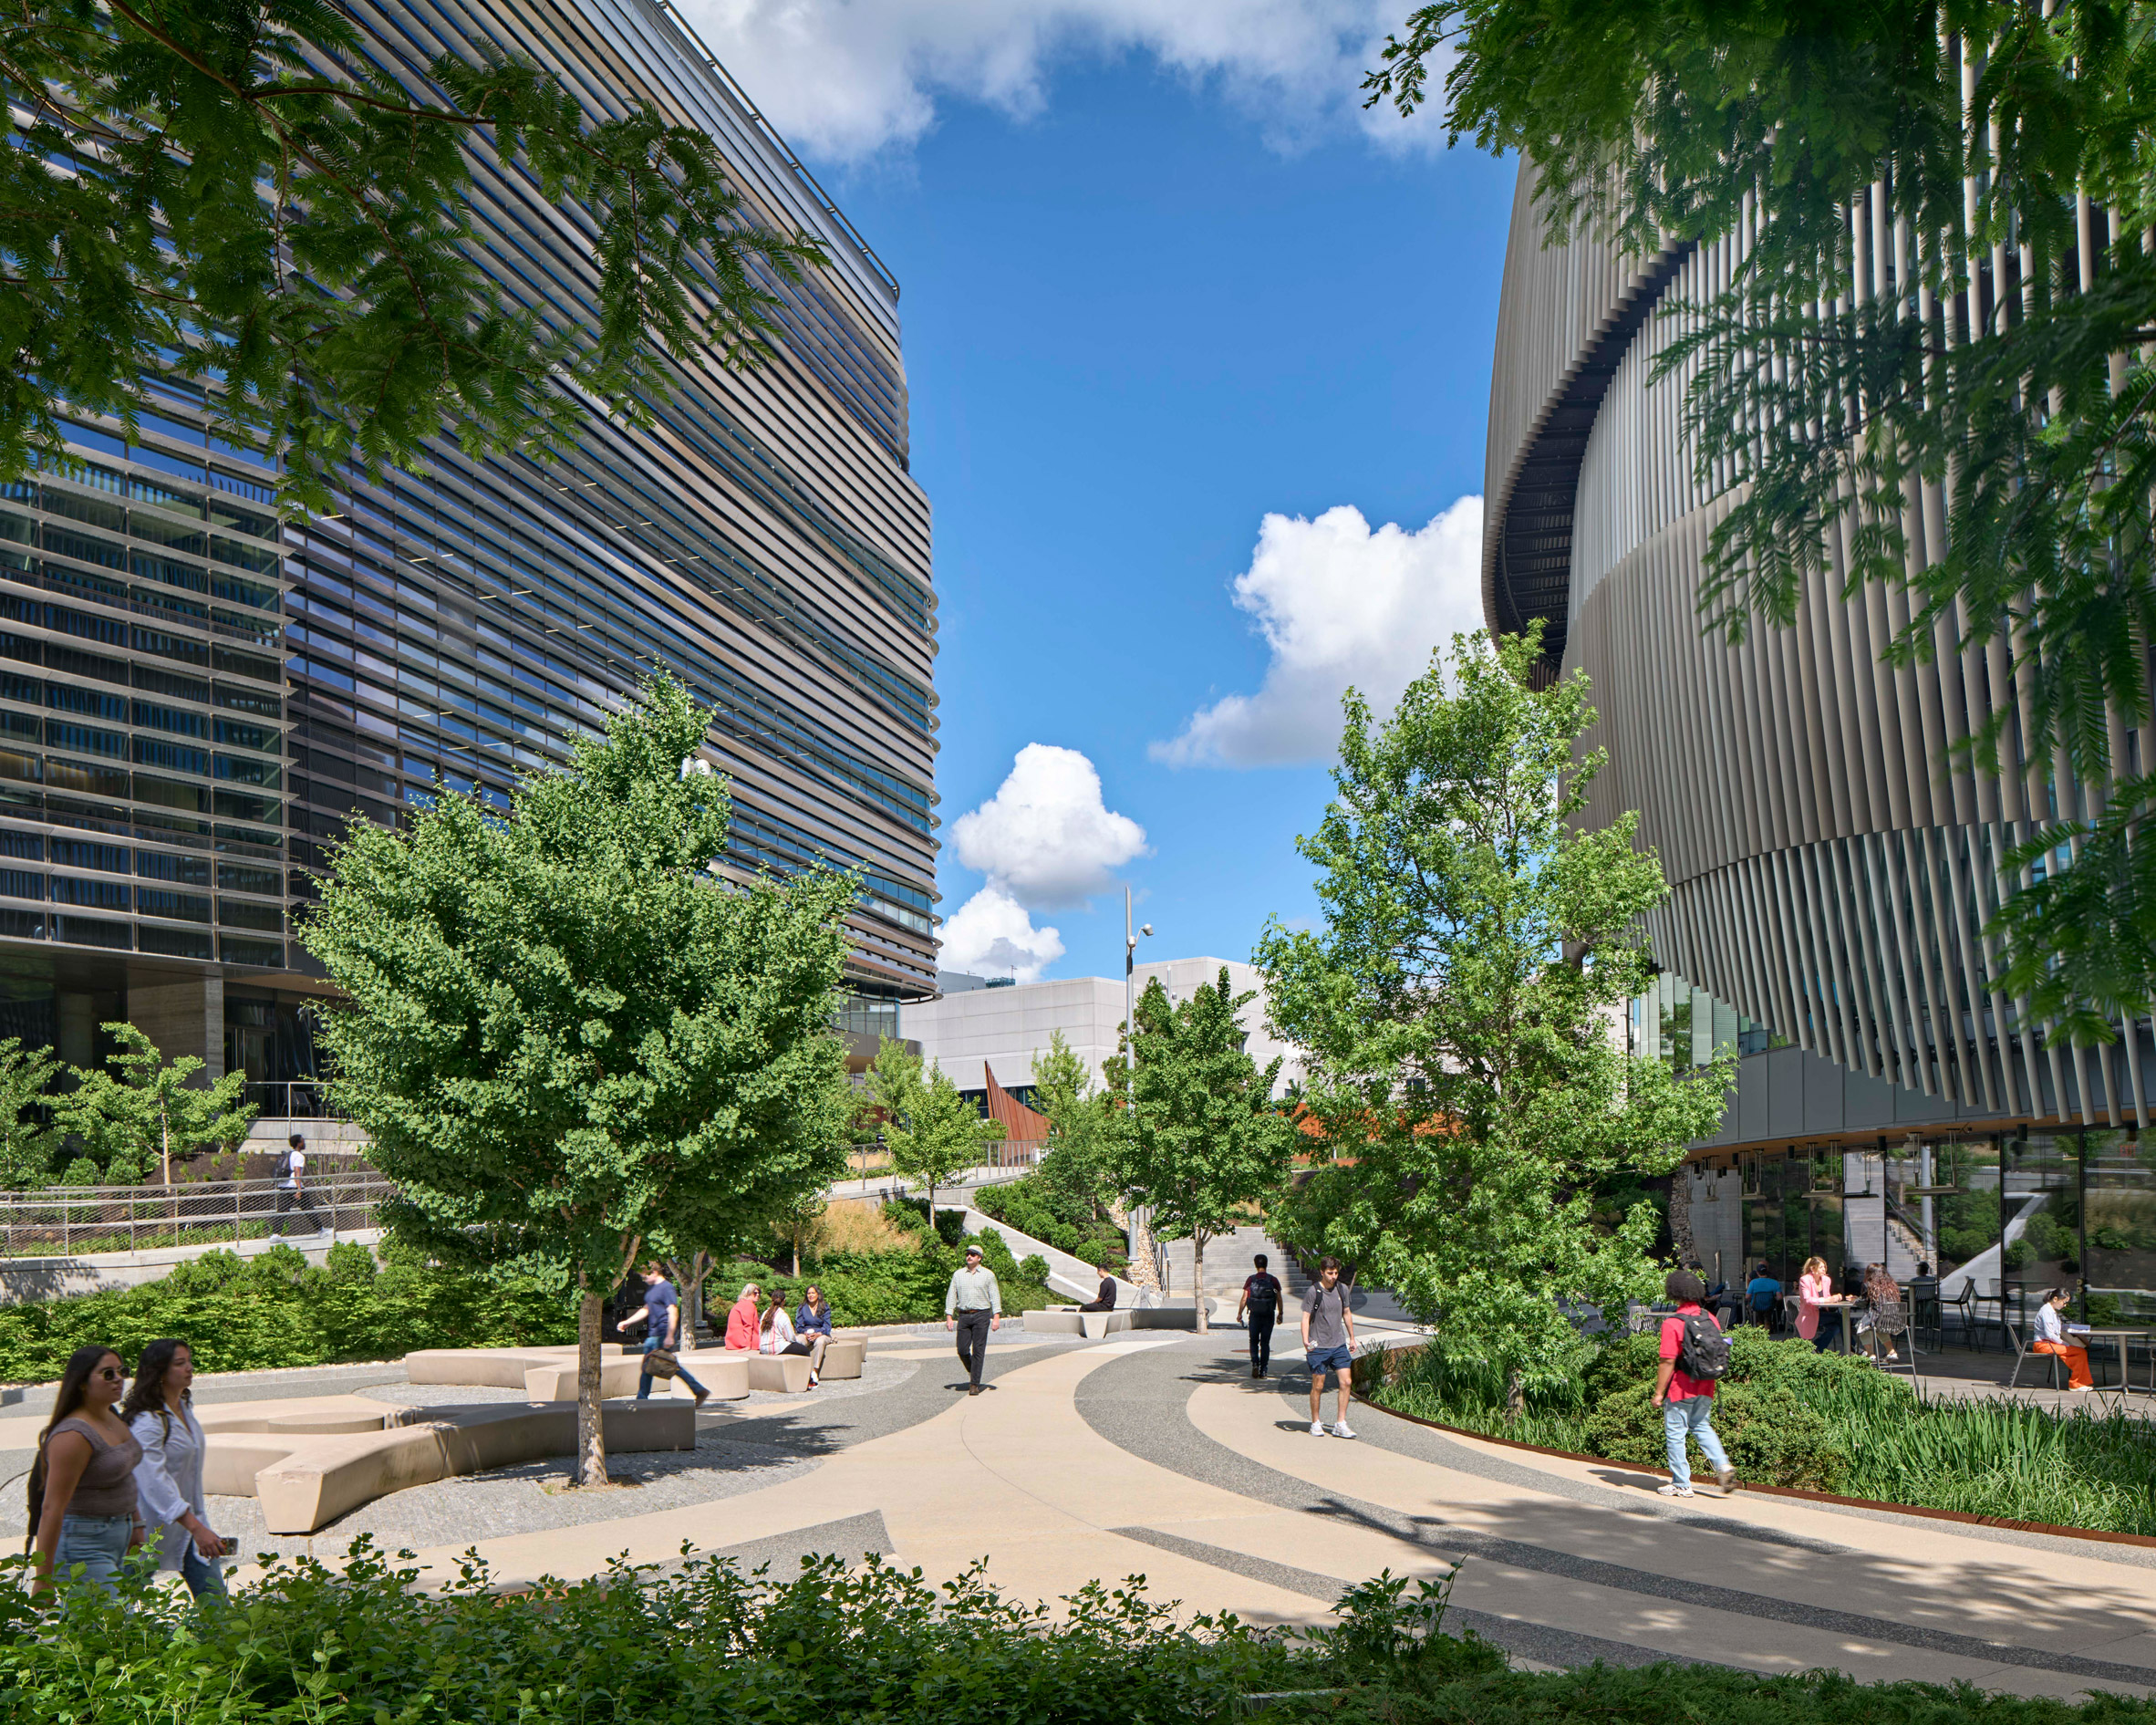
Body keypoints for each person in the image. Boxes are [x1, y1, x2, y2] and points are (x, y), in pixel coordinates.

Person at [27, 1345, 145, 1595]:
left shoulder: (111, 1417)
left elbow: (124, 1475)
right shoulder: (73, 1435)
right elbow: (51, 1509)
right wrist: (43, 1579)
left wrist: (136, 1524)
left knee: (99, 1627)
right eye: (108, 1374)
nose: (119, 1379)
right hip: (83, 1545)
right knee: (110, 1625)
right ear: (82, 1382)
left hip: (118, 1536)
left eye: (121, 1371)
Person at [120, 1338, 229, 1599]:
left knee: (217, 1606)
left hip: (189, 1529)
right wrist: (196, 1527)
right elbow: (154, 1483)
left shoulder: (183, 1406)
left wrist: (196, 1526)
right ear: (159, 1372)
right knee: (120, 1605)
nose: (190, 1368)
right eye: (180, 1364)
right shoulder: (148, 1422)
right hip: (145, 1532)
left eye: (189, 1361)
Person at [1653, 1269, 1736, 1499]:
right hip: (1707, 1384)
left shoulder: (1673, 1323)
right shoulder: (1710, 1318)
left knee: (1676, 1433)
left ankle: (1681, 1483)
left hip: (1681, 1387)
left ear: (1674, 1292)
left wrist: (1659, 1393)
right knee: (1701, 1425)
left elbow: (1668, 1361)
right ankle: (1723, 1466)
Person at [629, 1262, 710, 1405]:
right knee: (668, 1365)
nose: (644, 1280)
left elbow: (673, 1311)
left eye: (644, 1276)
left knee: (651, 1364)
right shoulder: (652, 1289)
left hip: (661, 1332)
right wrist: (627, 1322)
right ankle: (699, 1390)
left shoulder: (667, 1288)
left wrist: (669, 1335)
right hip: (655, 1333)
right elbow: (646, 1309)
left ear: (653, 1272)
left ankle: (641, 1400)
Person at [1301, 1255, 1355, 1439]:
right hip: (1319, 1346)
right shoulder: (1313, 1292)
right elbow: (1306, 1317)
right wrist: (1305, 1340)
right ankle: (1315, 1422)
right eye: (1330, 1273)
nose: (1333, 1276)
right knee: (1318, 1385)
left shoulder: (1342, 1289)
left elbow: (1346, 1313)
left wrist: (1352, 1338)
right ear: (1322, 1272)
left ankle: (1340, 1423)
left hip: (1338, 1344)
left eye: (1336, 1273)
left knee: (1346, 1382)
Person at [944, 1242, 1002, 1396]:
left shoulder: (988, 1275)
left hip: (981, 1315)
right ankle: (973, 1370)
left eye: (973, 1254)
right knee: (962, 1349)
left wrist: (996, 1317)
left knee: (978, 1350)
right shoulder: (958, 1274)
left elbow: (994, 1296)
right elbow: (951, 1295)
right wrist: (949, 1316)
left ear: (980, 1258)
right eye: (967, 1254)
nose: (969, 1257)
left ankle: (974, 1384)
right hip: (964, 1315)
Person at [2032, 1285, 2096, 1391]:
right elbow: (2049, 1334)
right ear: (2055, 1299)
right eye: (2064, 1302)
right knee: (2080, 1352)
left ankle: (2078, 1383)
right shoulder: (2047, 1311)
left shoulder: (2051, 1311)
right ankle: (2076, 1383)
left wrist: (2071, 1327)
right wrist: (2065, 1343)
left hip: (2049, 1344)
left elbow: (2056, 1329)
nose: (2065, 1305)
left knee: (2079, 1353)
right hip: (2043, 1345)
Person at [762, 1294, 827, 1385]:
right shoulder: (782, 1315)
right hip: (776, 1347)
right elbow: (791, 1337)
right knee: (804, 1350)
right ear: (784, 1301)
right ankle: (808, 1380)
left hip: (763, 1347)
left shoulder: (765, 1313)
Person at [1238, 1252, 1283, 1378]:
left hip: (1255, 1315)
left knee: (1253, 1341)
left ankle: (1255, 1364)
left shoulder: (1251, 1280)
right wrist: (1280, 1313)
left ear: (1255, 1265)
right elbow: (1279, 1298)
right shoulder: (1273, 1280)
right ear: (1266, 1264)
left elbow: (1244, 1298)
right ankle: (1264, 1370)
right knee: (1265, 1343)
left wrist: (1239, 1313)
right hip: (1268, 1314)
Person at [270, 1131, 321, 1238]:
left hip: (284, 1186)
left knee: (282, 1211)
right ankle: (321, 1230)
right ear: (299, 1144)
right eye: (303, 1141)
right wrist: (299, 1189)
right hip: (294, 1187)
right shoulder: (299, 1156)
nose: (305, 1143)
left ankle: (275, 1235)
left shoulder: (289, 1154)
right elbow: (297, 1171)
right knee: (308, 1209)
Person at [1796, 1254, 1846, 1353]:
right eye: (1821, 1267)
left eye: (1825, 1267)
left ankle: (1817, 1347)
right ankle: (1851, 1346)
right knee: (1839, 1318)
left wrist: (1836, 1298)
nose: (1824, 1269)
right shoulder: (1805, 1280)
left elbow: (1828, 1297)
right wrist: (1825, 1300)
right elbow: (1807, 1299)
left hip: (1822, 1312)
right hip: (1809, 1314)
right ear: (1813, 1269)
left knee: (1835, 1327)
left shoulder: (1826, 1280)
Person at [1860, 1263, 1906, 1365]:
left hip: (1878, 1320)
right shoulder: (1892, 1286)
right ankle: (1891, 1351)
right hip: (1896, 1321)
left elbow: (1864, 1302)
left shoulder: (1868, 1285)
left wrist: (1856, 1300)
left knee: (1861, 1327)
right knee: (1879, 1328)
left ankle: (1870, 1354)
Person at [794, 1283, 836, 1380]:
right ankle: (799, 1369)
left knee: (820, 1342)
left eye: (813, 1293)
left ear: (818, 1294)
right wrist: (806, 1333)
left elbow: (827, 1326)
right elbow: (799, 1327)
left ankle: (815, 1371)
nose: (811, 1295)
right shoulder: (802, 1307)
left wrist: (818, 1334)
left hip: (822, 1334)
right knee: (798, 1340)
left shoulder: (824, 1307)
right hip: (807, 1334)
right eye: (809, 1293)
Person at [723, 1282, 762, 1351]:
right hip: (742, 1342)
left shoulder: (741, 1304)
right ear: (748, 1293)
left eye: (759, 1293)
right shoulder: (748, 1305)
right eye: (755, 1293)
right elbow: (748, 1326)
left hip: (733, 1342)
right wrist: (748, 1345)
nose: (758, 1295)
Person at [1745, 1263, 1782, 1329]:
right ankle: (1767, 1324)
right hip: (1769, 1306)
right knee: (1768, 1310)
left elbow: (1747, 1297)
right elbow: (1779, 1298)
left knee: (1756, 1308)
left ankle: (1760, 1323)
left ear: (1757, 1273)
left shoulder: (1753, 1282)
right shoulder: (1775, 1282)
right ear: (1766, 1272)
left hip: (1756, 1306)